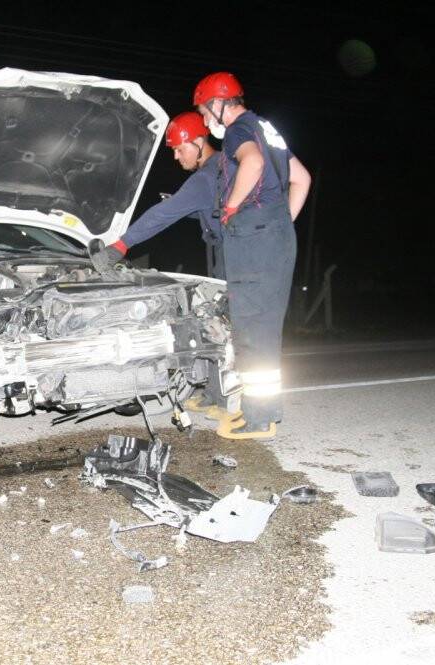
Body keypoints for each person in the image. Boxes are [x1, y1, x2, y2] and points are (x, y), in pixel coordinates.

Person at [90, 111, 239, 422]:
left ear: (199, 142)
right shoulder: (220, 170)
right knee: (218, 319)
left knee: (232, 325)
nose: (176, 156)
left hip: (237, 253)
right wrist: (185, 206)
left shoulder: (205, 177)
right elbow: (212, 210)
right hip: (227, 249)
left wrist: (120, 246)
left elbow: (161, 216)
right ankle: (215, 394)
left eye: (180, 149)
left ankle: (237, 402)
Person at [193, 71, 311, 440]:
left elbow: (253, 163)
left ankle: (258, 419)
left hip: (255, 238)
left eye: (204, 111)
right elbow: (302, 178)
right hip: (276, 235)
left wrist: (230, 207)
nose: (205, 121)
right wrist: (280, 223)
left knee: (251, 330)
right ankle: (264, 412)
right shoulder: (266, 128)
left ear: (218, 104)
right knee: (265, 328)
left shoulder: (238, 130)